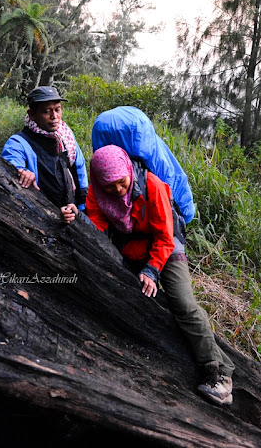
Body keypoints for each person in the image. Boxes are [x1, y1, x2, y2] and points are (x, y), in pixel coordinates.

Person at [83, 144, 235, 406]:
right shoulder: (97, 192)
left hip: (166, 245)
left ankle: (220, 373)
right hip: (132, 247)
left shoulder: (152, 185)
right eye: (110, 186)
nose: (118, 191)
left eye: (122, 183)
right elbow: (96, 224)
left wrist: (152, 271)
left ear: (129, 171)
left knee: (183, 305)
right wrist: (77, 220)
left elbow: (165, 236)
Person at [1, 86, 89, 223]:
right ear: (32, 114)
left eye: (57, 110)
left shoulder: (66, 137)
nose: (54, 116)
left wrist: (82, 207)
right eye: (47, 112)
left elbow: (80, 169)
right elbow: (9, 164)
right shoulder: (19, 142)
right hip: (40, 218)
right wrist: (21, 171)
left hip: (72, 212)